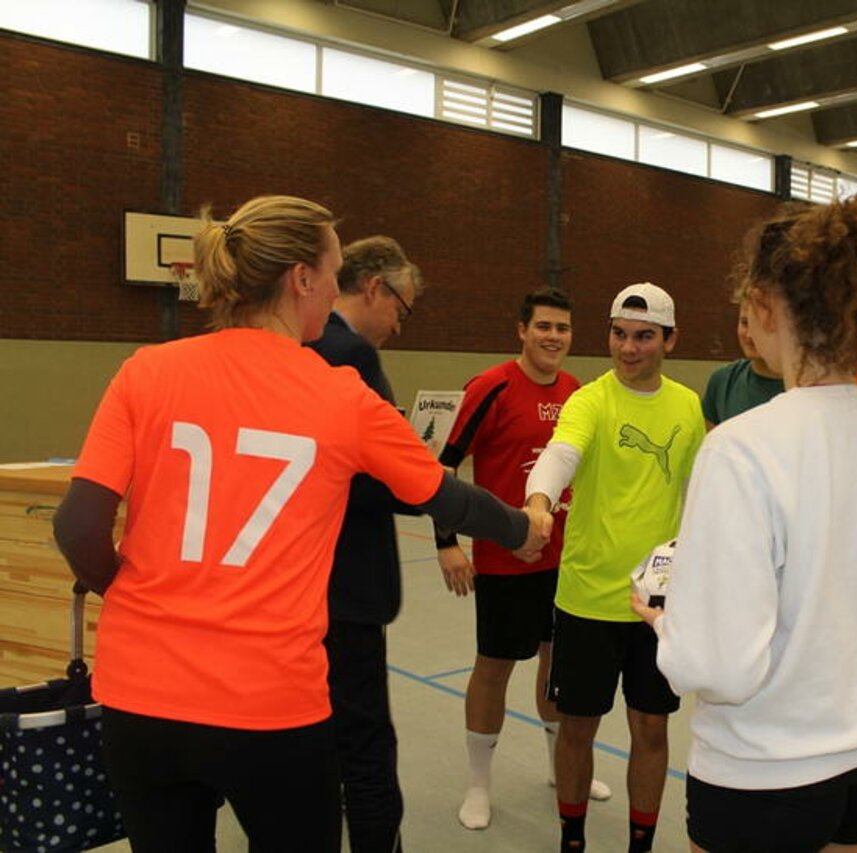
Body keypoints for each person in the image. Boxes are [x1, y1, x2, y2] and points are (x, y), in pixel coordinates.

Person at [51, 195, 548, 852]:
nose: (337, 292)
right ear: (301, 280)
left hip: (140, 702)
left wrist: (131, 592)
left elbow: (77, 525)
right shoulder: (340, 394)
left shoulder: (148, 371)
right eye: (335, 274)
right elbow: (445, 497)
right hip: (270, 705)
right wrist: (524, 526)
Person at [632, 196, 857, 853]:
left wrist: (668, 625)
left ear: (767, 304)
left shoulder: (743, 447)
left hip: (762, 771)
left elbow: (718, 663)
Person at [524, 282, 705, 853]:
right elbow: (561, 455)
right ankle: (572, 839)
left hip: (655, 606)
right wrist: (539, 502)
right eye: (619, 335)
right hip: (586, 599)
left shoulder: (687, 406)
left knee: (651, 729)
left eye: (644, 337)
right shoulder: (589, 401)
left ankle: (641, 844)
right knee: (577, 728)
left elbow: (699, 493)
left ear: (670, 340)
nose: (628, 349)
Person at [434, 287, 612, 831]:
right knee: (494, 669)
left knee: (556, 665)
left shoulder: (578, 392)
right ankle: (479, 784)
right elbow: (441, 468)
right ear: (521, 330)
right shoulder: (489, 388)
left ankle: (563, 768)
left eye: (562, 328)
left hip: (564, 564)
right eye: (543, 327)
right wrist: (447, 541)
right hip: (505, 562)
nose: (553, 337)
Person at [305, 235, 423, 852]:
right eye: (402, 307)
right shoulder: (350, 356)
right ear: (376, 287)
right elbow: (387, 483)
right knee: (364, 739)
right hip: (348, 584)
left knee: (313, 734)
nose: (399, 325)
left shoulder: (301, 346)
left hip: (297, 583)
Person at [701, 300, 784, 428]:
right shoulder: (723, 381)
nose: (749, 335)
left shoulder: (806, 386)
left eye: (760, 326)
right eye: (745, 323)